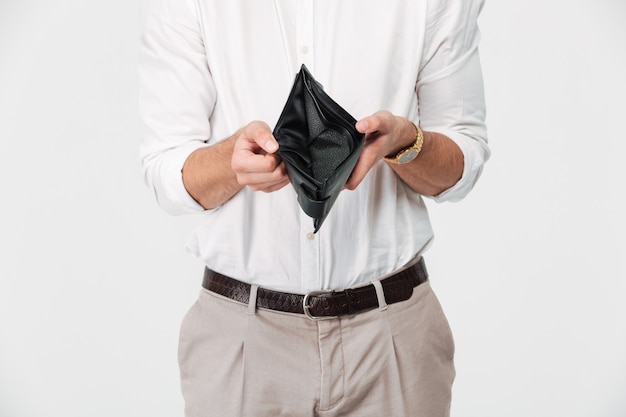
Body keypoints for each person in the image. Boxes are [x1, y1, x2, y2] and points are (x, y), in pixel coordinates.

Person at [139, 0, 489, 415]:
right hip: (242, 342)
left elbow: (460, 163)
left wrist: (405, 141)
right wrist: (231, 161)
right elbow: (165, 169)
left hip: (391, 337)